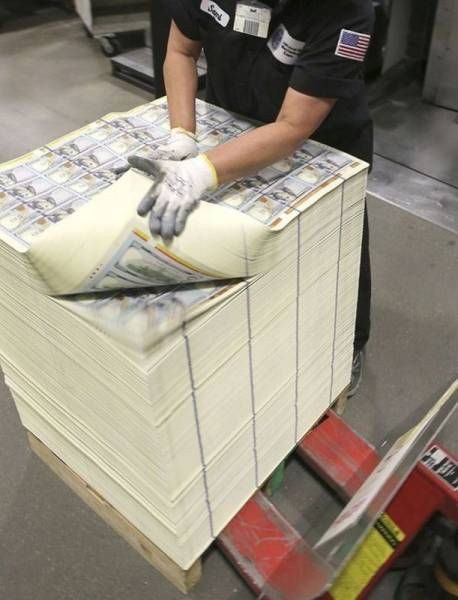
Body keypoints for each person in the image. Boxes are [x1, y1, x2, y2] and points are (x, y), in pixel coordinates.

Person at [128, 0, 374, 394]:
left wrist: (201, 172)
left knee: (336, 246)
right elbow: (181, 50)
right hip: (234, 122)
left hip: (322, 142)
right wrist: (182, 134)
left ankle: (349, 343)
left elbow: (293, 126)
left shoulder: (343, 9)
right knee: (239, 246)